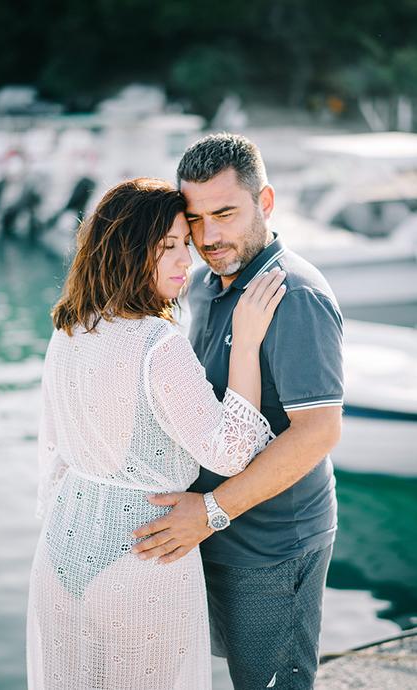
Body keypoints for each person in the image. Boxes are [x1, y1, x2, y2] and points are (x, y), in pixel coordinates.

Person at [26, 177, 287, 689]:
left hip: (61, 554)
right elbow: (230, 450)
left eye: (184, 247)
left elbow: (54, 452)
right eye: (166, 247)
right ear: (127, 249)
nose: (183, 262)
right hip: (144, 557)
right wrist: (246, 342)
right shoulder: (156, 344)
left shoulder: (70, 329)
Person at [132, 134, 344, 689]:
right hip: (211, 534)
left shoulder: (292, 294)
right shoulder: (202, 283)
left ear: (266, 203)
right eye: (196, 219)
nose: (209, 236)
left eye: (225, 213)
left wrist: (210, 512)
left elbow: (319, 431)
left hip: (272, 550)